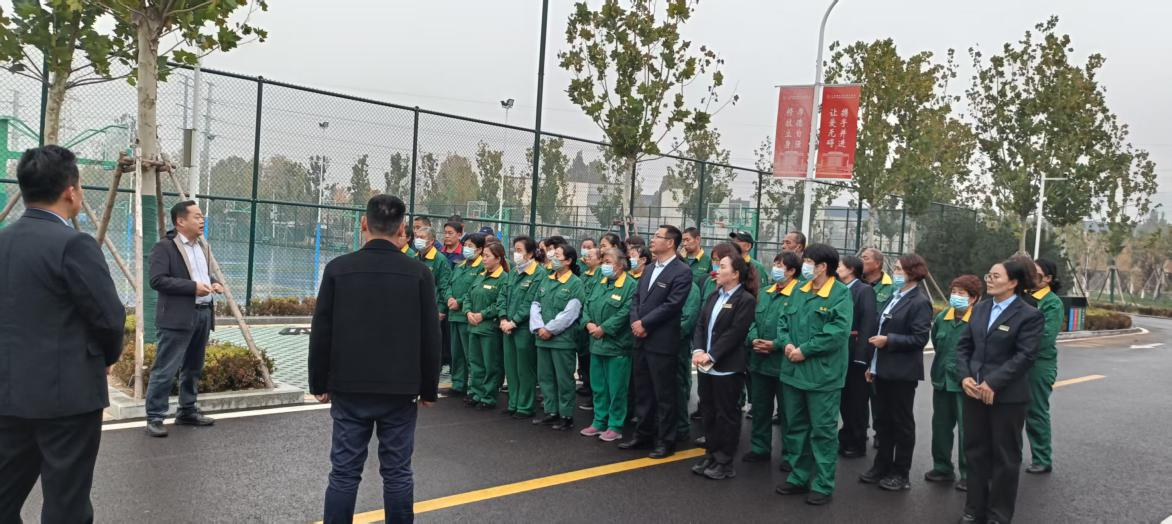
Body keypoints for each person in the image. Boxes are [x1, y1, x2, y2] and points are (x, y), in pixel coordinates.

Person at [0, 146, 125, 522]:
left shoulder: (3, 241)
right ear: (71, 191)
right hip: (67, 399)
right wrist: (105, 358)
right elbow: (109, 318)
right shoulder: (73, 244)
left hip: (7, 393)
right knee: (66, 503)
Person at [308, 195, 442, 524]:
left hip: (349, 387)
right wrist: (429, 388)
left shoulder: (338, 269)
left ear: (364, 224)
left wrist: (318, 382)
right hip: (400, 390)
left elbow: (322, 330)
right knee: (397, 473)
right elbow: (430, 335)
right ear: (401, 228)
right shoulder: (419, 273)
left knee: (344, 473)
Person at [955, 259, 1044, 524]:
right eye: (989, 275)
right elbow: (964, 347)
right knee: (975, 452)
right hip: (974, 393)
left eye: (996, 276)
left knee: (1005, 457)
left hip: (1006, 398)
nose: (989, 280)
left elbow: (1025, 356)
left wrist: (993, 382)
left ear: (1013, 282)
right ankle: (974, 509)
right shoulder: (981, 309)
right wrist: (965, 377)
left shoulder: (1029, 315)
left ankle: (998, 515)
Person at [773, 243, 853, 506]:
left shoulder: (840, 294)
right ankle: (799, 477)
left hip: (822, 376)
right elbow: (783, 321)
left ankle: (823, 484)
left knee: (822, 432)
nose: (804, 266)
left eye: (808, 261)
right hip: (793, 372)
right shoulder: (799, 290)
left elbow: (837, 332)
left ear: (823, 267)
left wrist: (805, 350)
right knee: (796, 428)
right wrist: (786, 343)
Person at [143, 200, 224, 437]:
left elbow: (201, 275)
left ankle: (187, 410)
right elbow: (157, 280)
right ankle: (155, 416)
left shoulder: (202, 246)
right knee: (165, 368)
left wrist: (212, 283)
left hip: (203, 314)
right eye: (197, 216)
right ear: (180, 221)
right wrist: (192, 287)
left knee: (193, 367)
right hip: (176, 318)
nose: (202, 220)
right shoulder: (164, 247)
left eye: (202, 216)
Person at [860, 254, 933, 492]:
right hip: (882, 369)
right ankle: (881, 465)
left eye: (900, 269)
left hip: (902, 372)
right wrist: (872, 366)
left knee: (901, 423)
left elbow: (919, 338)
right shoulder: (895, 296)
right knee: (883, 422)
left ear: (913, 272)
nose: (896, 273)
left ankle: (901, 472)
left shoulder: (919, 302)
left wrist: (889, 340)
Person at [619, 225, 693, 459]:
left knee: (664, 394)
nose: (652, 240)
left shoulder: (681, 271)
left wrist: (645, 323)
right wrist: (635, 321)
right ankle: (643, 434)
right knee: (643, 391)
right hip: (641, 339)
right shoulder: (650, 268)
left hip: (661, 342)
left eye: (658, 237)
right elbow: (636, 298)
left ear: (670, 243)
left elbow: (672, 305)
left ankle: (666, 440)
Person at [690, 253, 757, 480]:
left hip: (727, 367)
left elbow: (735, 333)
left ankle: (724, 461)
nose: (717, 270)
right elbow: (701, 325)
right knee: (709, 412)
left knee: (726, 415)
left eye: (722, 266)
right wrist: (698, 350)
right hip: (706, 366)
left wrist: (711, 355)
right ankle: (711, 453)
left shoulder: (745, 300)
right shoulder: (714, 295)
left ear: (735, 274)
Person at [925, 274, 983, 492]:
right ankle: (942, 468)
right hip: (942, 380)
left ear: (974, 298)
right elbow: (937, 343)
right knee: (940, 426)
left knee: (968, 430)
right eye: (954, 292)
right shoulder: (942, 318)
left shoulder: (979, 320)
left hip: (966, 383)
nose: (956, 296)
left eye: (962, 293)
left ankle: (969, 473)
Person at [743, 251, 803, 466]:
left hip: (784, 363)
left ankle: (791, 455)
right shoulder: (765, 292)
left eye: (780, 265)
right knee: (760, 409)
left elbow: (797, 328)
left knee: (789, 413)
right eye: (775, 264)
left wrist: (776, 344)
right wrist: (754, 339)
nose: (775, 268)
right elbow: (751, 320)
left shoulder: (800, 294)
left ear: (792, 271)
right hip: (760, 362)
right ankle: (760, 448)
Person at [579, 248, 637, 442]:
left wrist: (604, 328)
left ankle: (615, 425)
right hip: (596, 344)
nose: (604, 265)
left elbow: (626, 312)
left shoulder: (630, 285)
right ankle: (599, 422)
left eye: (608, 261)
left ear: (620, 264)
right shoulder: (600, 282)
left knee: (616, 389)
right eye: (603, 261)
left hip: (617, 346)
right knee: (599, 387)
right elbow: (586, 304)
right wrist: (588, 323)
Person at [531, 244, 585, 431]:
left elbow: (571, 313)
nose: (553, 258)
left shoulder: (575, 283)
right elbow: (536, 305)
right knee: (545, 377)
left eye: (558, 256)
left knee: (563, 379)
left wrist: (549, 329)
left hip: (562, 340)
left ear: (568, 261)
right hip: (542, 338)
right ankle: (551, 411)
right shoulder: (546, 279)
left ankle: (566, 415)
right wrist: (539, 327)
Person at [498, 236, 547, 419]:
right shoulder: (513, 272)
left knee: (525, 369)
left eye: (519, 250)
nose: (515, 254)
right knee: (511, 368)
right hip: (507, 327)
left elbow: (531, 301)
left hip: (524, 329)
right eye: (515, 249)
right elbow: (502, 295)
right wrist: (503, 318)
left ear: (530, 253)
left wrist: (514, 321)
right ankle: (513, 403)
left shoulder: (539, 274)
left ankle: (525, 406)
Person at [1025, 258, 1064, 475]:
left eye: (1037, 273)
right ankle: (1010, 456)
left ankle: (1042, 458)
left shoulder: (1051, 302)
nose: (1031, 276)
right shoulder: (1022, 296)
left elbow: (1045, 337)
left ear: (1048, 278)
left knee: (1035, 411)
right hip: (1016, 362)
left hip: (1038, 364)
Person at [836, 255, 878, 459]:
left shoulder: (864, 290)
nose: (837, 269)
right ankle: (846, 436)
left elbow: (868, 323)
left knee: (857, 400)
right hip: (841, 351)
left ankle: (857, 441)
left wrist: (862, 356)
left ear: (851, 269)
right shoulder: (839, 288)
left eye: (840, 266)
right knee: (844, 399)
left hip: (855, 352)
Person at [463, 242, 509, 410]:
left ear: (498, 258)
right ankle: (476, 393)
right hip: (474, 327)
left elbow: (500, 303)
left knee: (491, 365)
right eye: (483, 256)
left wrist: (483, 314)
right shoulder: (480, 275)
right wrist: (468, 312)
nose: (484, 259)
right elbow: (468, 296)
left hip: (489, 329)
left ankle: (488, 397)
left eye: (487, 256)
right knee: (475, 363)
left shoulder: (504, 278)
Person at [446, 233, 485, 399]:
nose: (466, 249)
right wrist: (449, 298)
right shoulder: (460, 265)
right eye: (465, 245)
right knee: (456, 353)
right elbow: (449, 284)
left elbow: (473, 290)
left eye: (470, 246)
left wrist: (460, 302)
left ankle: (474, 387)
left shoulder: (481, 267)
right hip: (454, 315)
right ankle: (458, 383)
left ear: (480, 249)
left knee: (471, 355)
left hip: (467, 316)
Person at [414, 227, 451, 354]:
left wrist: (441, 309)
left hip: (434, 309)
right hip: (417, 308)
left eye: (422, 237)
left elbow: (444, 286)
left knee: (431, 344)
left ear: (431, 241)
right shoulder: (415, 257)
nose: (418, 240)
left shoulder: (440, 259)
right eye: (417, 237)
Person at [577, 246, 604, 400]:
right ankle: (586, 384)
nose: (587, 258)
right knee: (583, 355)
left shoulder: (601, 275)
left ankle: (592, 390)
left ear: (599, 260)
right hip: (583, 320)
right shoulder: (583, 275)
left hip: (594, 323)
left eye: (591, 255)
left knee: (591, 357)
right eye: (586, 256)